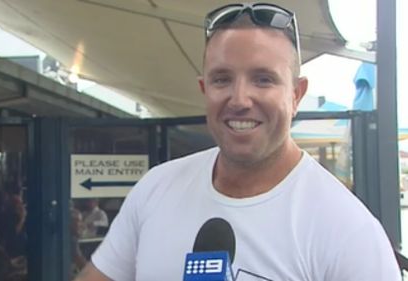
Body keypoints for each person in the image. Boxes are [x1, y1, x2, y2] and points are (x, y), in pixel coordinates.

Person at [75, 3, 401, 281]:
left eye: (263, 79)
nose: (240, 99)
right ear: (205, 90)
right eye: (222, 79)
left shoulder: (350, 233)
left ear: (296, 94)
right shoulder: (155, 188)